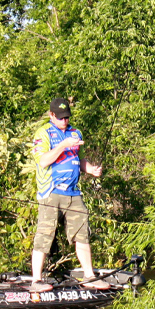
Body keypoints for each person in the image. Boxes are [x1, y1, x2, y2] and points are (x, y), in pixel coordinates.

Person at [29, 97, 110, 292]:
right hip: (51, 191)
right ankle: (36, 280)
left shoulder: (75, 133)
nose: (65, 121)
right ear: (52, 115)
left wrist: (90, 169)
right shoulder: (44, 133)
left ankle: (89, 276)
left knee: (82, 233)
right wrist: (63, 145)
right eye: (61, 118)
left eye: (67, 117)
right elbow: (43, 161)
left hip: (74, 192)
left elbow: (78, 159)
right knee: (45, 234)